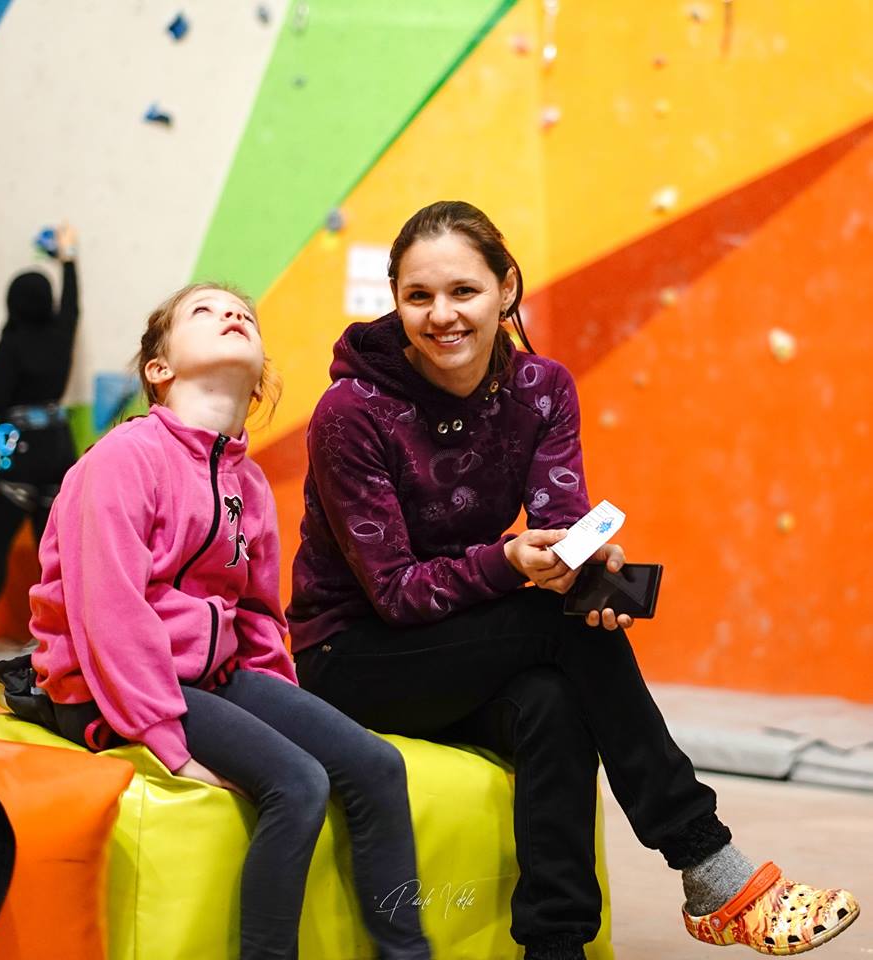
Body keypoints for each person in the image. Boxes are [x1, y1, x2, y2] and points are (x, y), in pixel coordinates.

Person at [286, 201, 860, 960]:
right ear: (395, 300)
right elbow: (394, 592)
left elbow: (563, 517)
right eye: (418, 296)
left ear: (507, 289)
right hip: (351, 658)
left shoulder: (542, 388)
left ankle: (555, 947)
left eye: (464, 291)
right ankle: (712, 869)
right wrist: (513, 563)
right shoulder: (351, 411)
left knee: (553, 700)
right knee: (551, 634)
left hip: (461, 647)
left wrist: (585, 571)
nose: (441, 314)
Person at [22, 283, 431, 960]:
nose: (232, 314)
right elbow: (108, 613)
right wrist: (166, 738)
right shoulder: (125, 459)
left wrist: (283, 705)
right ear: (160, 369)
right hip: (110, 683)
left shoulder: (247, 483)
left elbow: (260, 615)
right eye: (204, 312)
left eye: (243, 312)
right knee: (300, 785)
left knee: (378, 766)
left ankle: (407, 952)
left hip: (211, 677)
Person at [0, 224, 80, 641]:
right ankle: (69, 641)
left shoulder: (13, 343)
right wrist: (69, 258)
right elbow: (73, 303)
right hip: (59, 449)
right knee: (56, 560)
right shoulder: (62, 332)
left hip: (18, 452)